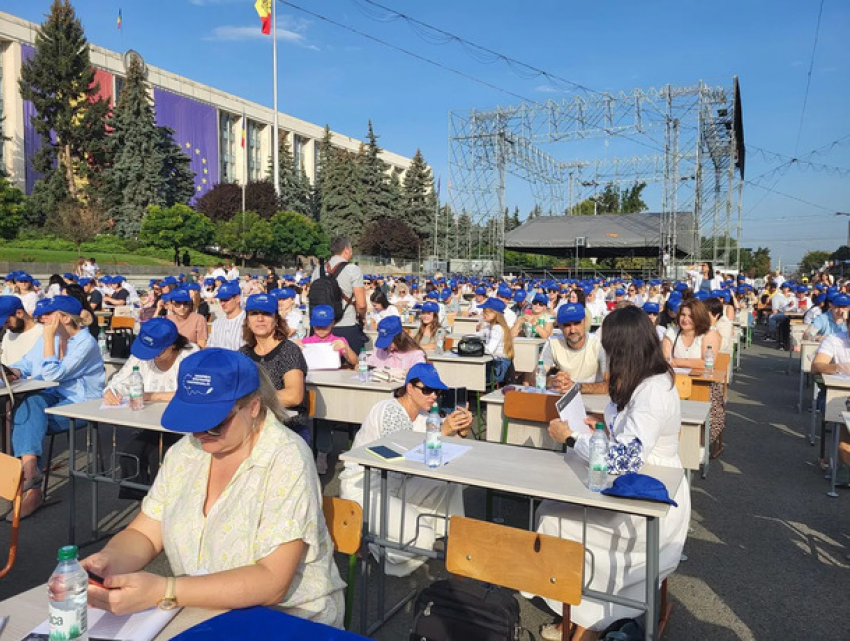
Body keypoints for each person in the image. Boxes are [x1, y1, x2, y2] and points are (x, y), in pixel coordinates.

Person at [83, 349, 346, 625]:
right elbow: (145, 533)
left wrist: (166, 590)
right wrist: (108, 562)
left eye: (214, 425)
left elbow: (272, 581)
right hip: (200, 610)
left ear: (254, 407)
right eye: (193, 420)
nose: (199, 434)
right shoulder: (187, 451)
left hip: (287, 619)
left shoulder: (286, 457)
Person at [535, 306, 690, 640]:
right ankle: (580, 609)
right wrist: (602, 426)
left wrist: (572, 436)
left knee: (553, 519)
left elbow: (624, 459)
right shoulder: (645, 379)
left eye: (609, 347)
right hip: (637, 484)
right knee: (550, 511)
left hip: (651, 498)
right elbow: (632, 435)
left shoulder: (651, 390)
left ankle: (588, 615)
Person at [339, 363, 472, 576]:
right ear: (409, 388)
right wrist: (443, 431)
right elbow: (401, 457)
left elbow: (436, 453)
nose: (433, 396)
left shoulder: (425, 417)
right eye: (427, 390)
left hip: (395, 485)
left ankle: (448, 540)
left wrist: (460, 432)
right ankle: (374, 544)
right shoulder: (388, 409)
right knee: (422, 539)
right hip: (364, 488)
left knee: (450, 485)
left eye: (437, 391)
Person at [7, 296, 104, 518]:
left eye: (49, 315)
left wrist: (49, 338)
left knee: (26, 417)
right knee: (29, 405)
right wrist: (14, 372)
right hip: (53, 396)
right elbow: (26, 364)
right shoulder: (47, 338)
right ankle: (31, 474)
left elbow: (52, 374)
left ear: (66, 318)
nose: (42, 318)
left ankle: (31, 486)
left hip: (82, 405)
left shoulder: (85, 344)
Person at [105, 318, 198, 498]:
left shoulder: (190, 355)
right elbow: (121, 381)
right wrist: (111, 391)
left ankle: (163, 506)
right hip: (150, 423)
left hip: (181, 425)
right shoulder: (143, 354)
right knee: (130, 456)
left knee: (160, 457)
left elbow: (191, 392)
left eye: (157, 351)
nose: (150, 355)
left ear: (171, 345)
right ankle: (142, 506)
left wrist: (152, 396)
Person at [239, 294, 310, 444]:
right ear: (248, 321)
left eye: (266, 314)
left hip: (287, 428)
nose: (260, 319)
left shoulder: (289, 350)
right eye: (254, 314)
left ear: (276, 319)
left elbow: (294, 395)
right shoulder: (243, 354)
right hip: (252, 427)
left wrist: (248, 400)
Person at [299, 305, 358, 475]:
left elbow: (354, 361)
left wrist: (345, 349)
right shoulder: (306, 341)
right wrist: (295, 346)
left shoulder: (338, 340)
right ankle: (312, 453)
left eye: (325, 326)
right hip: (310, 384)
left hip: (332, 386)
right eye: (318, 326)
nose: (321, 330)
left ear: (333, 324)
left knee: (326, 417)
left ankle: (323, 453)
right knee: (311, 419)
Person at [311, 236, 368, 353]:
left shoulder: (318, 270)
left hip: (321, 327)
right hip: (346, 325)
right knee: (353, 367)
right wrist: (362, 317)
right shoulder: (353, 269)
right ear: (346, 250)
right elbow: (361, 304)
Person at [540, 303, 608, 395]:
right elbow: (535, 376)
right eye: (567, 325)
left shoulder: (598, 345)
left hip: (593, 400)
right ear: (560, 326)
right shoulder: (553, 343)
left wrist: (576, 387)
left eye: (577, 323)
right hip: (563, 399)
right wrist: (552, 382)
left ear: (585, 321)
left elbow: (609, 385)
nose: (572, 330)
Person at [476, 298, 514, 384]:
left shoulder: (497, 328)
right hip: (493, 362)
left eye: (485, 312)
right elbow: (476, 335)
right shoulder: (489, 326)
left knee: (473, 374)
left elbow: (489, 350)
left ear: (494, 314)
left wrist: (475, 349)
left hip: (498, 366)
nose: (482, 314)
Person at [0, 296, 44, 366]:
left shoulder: (43, 334)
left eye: (6, 322)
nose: (5, 327)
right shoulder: (8, 336)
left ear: (19, 313)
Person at [207, 281, 246, 350]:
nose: (222, 303)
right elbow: (210, 347)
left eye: (226, 300)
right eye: (221, 300)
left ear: (237, 299)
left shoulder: (248, 320)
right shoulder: (217, 323)